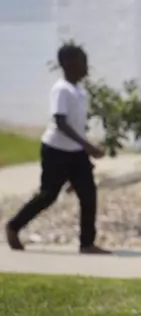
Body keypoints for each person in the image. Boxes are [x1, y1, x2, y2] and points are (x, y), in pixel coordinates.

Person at [5, 44, 110, 255]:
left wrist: (84, 152)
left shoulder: (79, 91)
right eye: (83, 62)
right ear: (69, 64)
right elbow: (60, 122)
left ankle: (87, 243)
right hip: (56, 151)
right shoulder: (61, 89)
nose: (87, 66)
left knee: (89, 194)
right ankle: (13, 226)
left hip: (75, 152)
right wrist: (87, 146)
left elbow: (75, 124)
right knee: (48, 195)